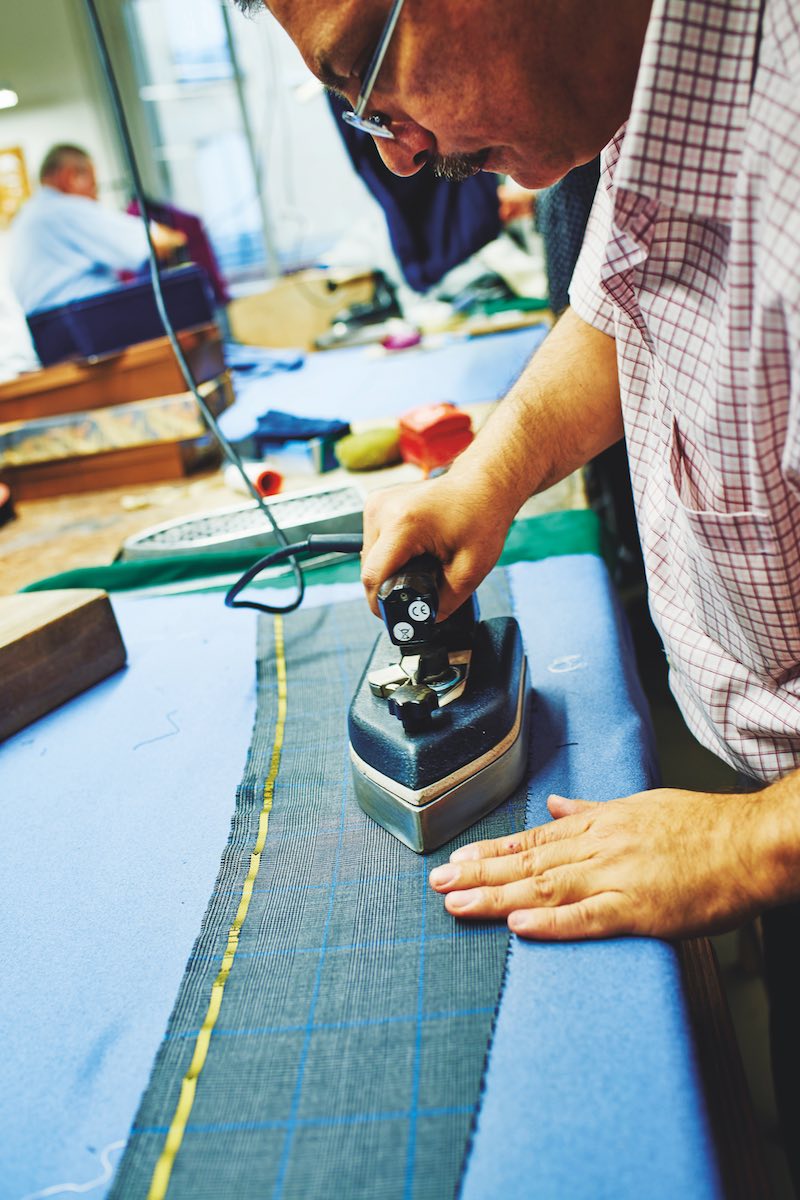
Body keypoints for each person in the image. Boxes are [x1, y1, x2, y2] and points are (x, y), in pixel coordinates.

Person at [245, 0, 800, 1179]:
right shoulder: (657, 95)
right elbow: (624, 308)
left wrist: (758, 842)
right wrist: (486, 477)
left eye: (368, 71)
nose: (393, 150)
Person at [8, 144, 185, 315]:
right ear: (70, 177)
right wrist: (175, 238)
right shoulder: (62, 209)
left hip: (51, 326)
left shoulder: (29, 214)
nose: (95, 198)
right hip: (85, 318)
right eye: (94, 186)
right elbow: (155, 241)